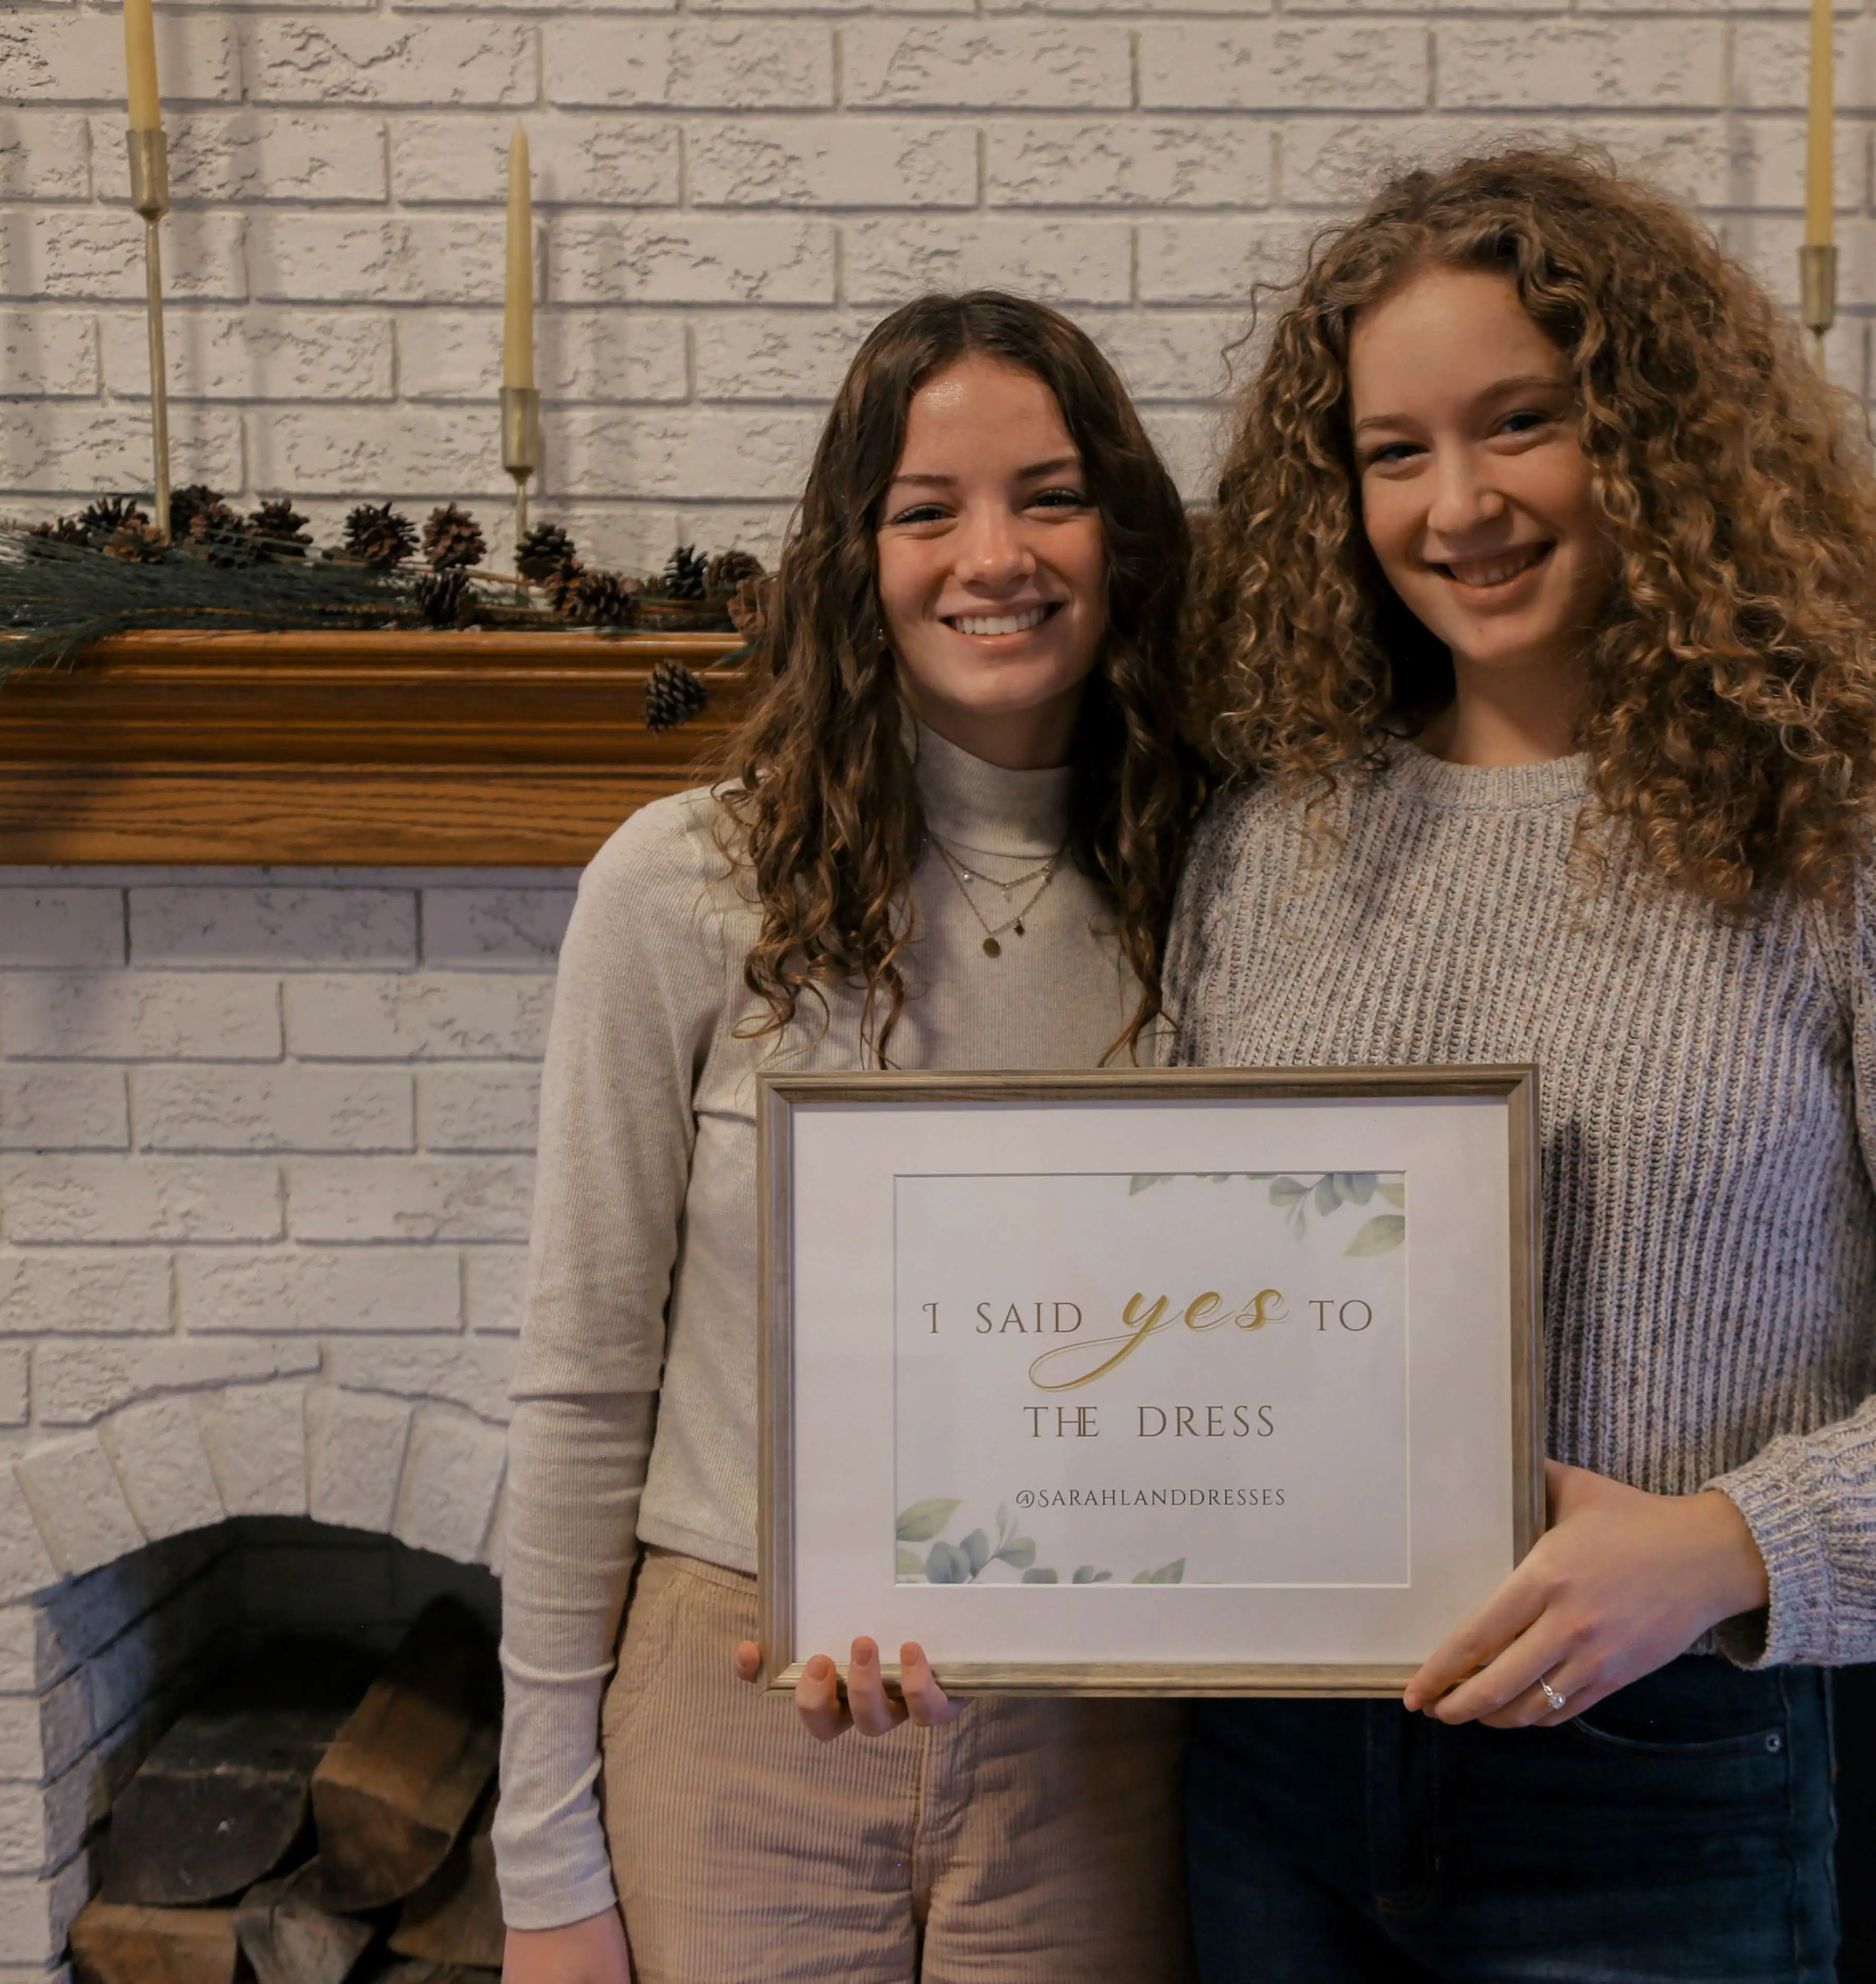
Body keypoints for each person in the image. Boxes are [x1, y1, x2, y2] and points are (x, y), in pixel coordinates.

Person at [1162, 147, 1876, 1982]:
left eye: (1520, 422)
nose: (1456, 503)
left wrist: (1725, 1543)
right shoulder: (1271, 847)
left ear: (1658, 435)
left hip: (1652, 1782)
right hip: (1268, 1772)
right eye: (1394, 451)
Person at [495, 291, 1205, 1984]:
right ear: (850, 554)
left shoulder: (1229, 883)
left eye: (1049, 495)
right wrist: (540, 1857)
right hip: (737, 1702)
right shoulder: (679, 886)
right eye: (924, 509)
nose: (995, 555)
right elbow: (582, 1375)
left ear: (1123, 535)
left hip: (1094, 1736)